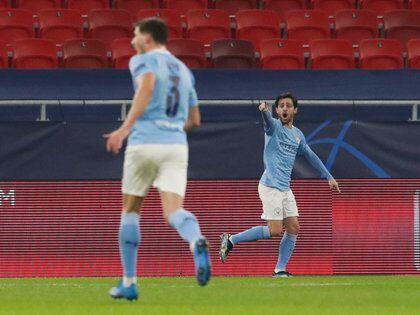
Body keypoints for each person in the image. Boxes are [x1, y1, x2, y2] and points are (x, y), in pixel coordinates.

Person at [104, 18, 211, 301]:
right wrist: (172, 128)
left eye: (135, 35)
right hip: (176, 146)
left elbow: (147, 87)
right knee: (173, 211)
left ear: (148, 39)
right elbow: (195, 120)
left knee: (131, 209)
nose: (132, 41)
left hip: (144, 142)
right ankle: (195, 240)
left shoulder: (142, 60)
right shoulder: (185, 70)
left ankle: (129, 282)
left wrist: (124, 128)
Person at [219, 92, 340, 277]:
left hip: (285, 188)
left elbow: (311, 156)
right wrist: (264, 112)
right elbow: (267, 121)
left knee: (294, 227)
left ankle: (280, 270)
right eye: (281, 105)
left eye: (288, 105)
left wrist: (329, 176)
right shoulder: (274, 127)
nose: (284, 108)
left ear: (295, 110)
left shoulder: (298, 135)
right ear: (277, 110)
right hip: (270, 186)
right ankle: (231, 239)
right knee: (275, 230)